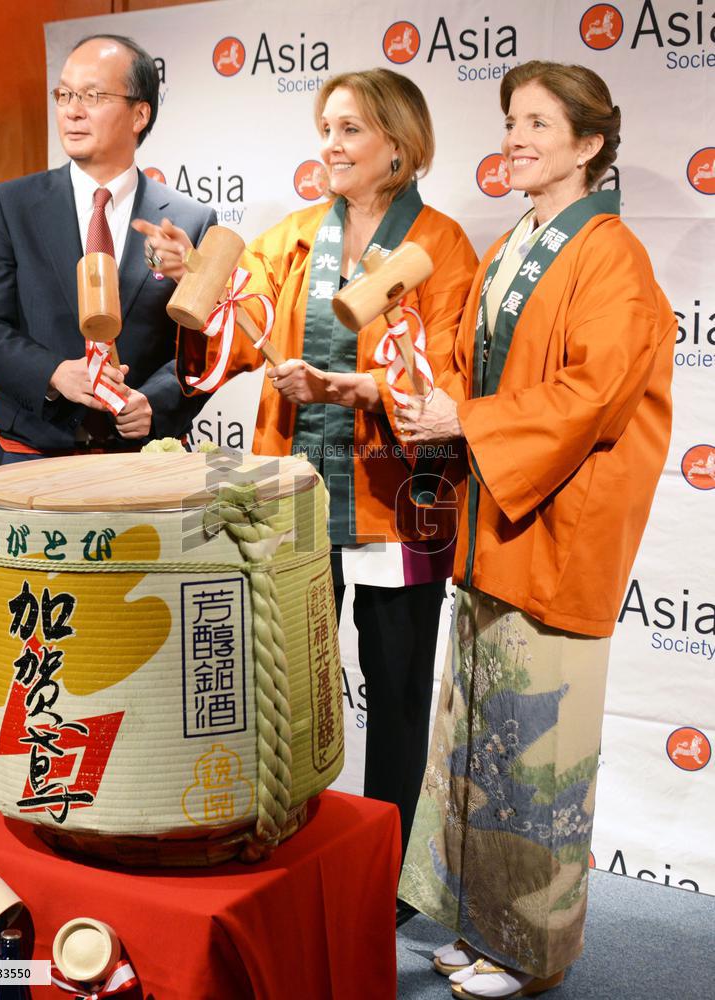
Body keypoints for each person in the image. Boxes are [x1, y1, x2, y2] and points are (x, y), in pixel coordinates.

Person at [134, 68, 478, 868]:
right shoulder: (289, 237)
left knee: (395, 693)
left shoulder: (443, 246)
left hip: (403, 504)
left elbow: (454, 376)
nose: (330, 143)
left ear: (399, 143)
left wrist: (353, 388)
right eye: (326, 126)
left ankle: (387, 869)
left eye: (350, 128)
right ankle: (289, 844)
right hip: (294, 494)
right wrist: (194, 276)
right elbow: (237, 333)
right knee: (288, 686)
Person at [395, 61, 676, 998]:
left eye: (537, 125)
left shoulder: (610, 255)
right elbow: (478, 363)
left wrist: (466, 423)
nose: (513, 138)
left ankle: (530, 950)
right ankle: (482, 924)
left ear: (589, 144)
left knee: (534, 749)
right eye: (510, 120)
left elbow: (591, 397)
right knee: (479, 734)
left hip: (554, 524)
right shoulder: (522, 237)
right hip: (497, 518)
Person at [0, 34, 215, 466]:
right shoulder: (11, 205)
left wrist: (154, 402)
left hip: (143, 460)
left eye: (92, 95)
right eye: (65, 94)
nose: (72, 110)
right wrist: (54, 374)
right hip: (33, 457)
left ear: (139, 114)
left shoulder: (190, 221)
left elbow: (205, 345)